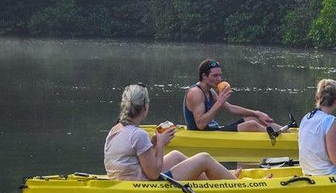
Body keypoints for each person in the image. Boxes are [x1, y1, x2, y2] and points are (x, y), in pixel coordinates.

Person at [104, 83, 237, 181]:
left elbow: (132, 159)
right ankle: (233, 183)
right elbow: (153, 175)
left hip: (127, 177)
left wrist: (153, 143)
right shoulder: (139, 134)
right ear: (145, 107)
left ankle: (220, 179)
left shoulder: (114, 130)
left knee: (176, 155)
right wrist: (161, 145)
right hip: (143, 184)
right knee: (204, 158)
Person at [183, 59, 282, 132]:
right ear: (204, 76)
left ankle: (286, 132)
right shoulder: (195, 92)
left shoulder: (210, 91)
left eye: (220, 75)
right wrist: (219, 103)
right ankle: (277, 138)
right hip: (202, 134)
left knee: (253, 119)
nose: (219, 79)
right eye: (215, 76)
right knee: (252, 125)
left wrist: (257, 113)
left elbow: (231, 108)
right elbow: (200, 124)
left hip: (214, 130)